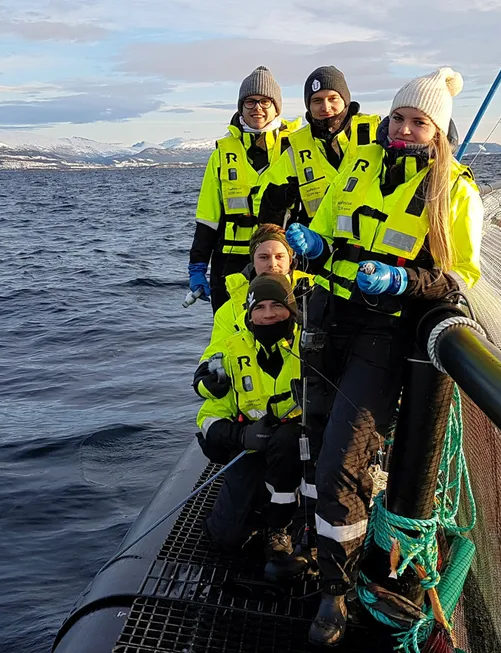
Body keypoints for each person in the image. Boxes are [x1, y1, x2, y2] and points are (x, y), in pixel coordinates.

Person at [285, 67, 484, 647]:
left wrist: (402, 283)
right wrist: (313, 246)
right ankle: (327, 546)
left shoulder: (455, 189)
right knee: (315, 440)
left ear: (439, 132)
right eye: (398, 117)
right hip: (327, 324)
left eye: (418, 121)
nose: (403, 128)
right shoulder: (359, 165)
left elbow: (463, 273)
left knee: (340, 465)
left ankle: (335, 593)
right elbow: (325, 232)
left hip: (384, 335)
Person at [194, 273, 309, 582]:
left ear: (292, 309)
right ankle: (258, 505)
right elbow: (207, 418)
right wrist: (242, 435)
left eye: (277, 306)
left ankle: (281, 526)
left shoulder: (311, 346)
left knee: (289, 443)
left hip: (303, 450)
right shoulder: (233, 352)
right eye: (260, 307)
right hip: (255, 447)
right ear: (249, 313)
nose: (269, 314)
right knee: (226, 537)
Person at [188, 66, 301, 313]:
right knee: (229, 331)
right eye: (250, 101)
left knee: (281, 329)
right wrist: (197, 266)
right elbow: (207, 218)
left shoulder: (296, 148)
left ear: (276, 107)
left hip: (279, 259)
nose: (257, 108)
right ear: (240, 107)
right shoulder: (221, 154)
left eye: (265, 101)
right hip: (229, 261)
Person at [255, 66, 381, 232]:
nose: (326, 107)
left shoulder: (376, 134)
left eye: (332, 98)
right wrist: (276, 201)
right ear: (309, 106)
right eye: (317, 100)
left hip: (367, 248)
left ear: (345, 100)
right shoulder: (297, 147)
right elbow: (265, 200)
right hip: (316, 248)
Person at [192, 224, 310, 394]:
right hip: (254, 393)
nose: (272, 264)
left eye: (279, 256)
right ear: (253, 260)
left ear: (290, 259)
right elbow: (218, 349)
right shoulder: (230, 308)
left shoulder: (313, 292)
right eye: (263, 257)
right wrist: (204, 377)